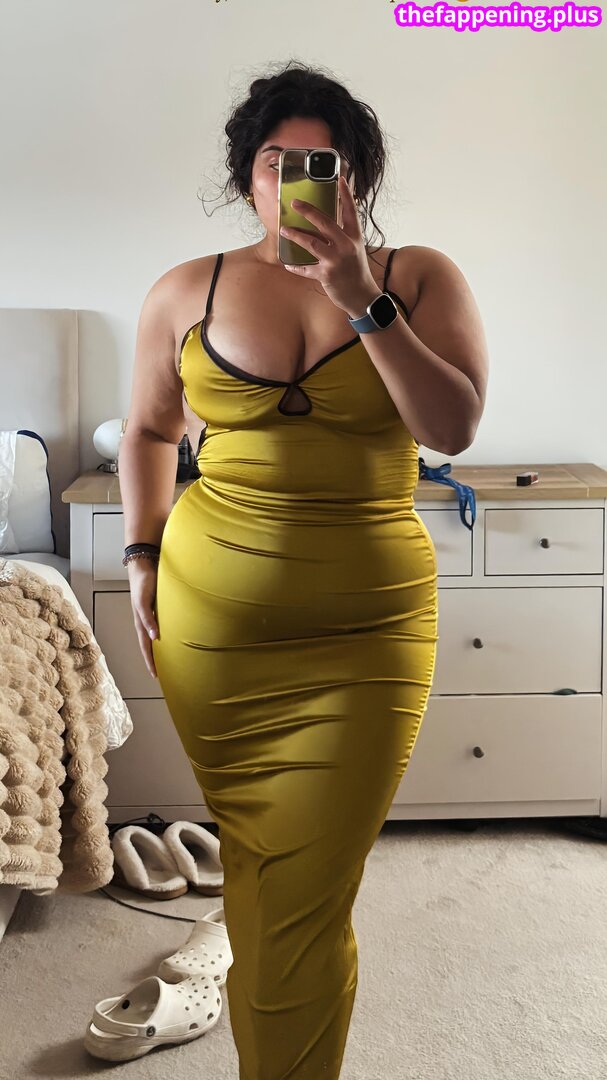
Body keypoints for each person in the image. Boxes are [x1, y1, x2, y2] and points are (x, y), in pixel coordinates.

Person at [118, 61, 488, 1080]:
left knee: (308, 883)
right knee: (257, 858)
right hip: (211, 627)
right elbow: (147, 430)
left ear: (356, 178)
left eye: (320, 164)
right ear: (245, 176)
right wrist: (142, 553)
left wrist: (362, 298)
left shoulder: (418, 277)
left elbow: (450, 426)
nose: (294, 182)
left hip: (368, 634)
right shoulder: (184, 289)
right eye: (275, 162)